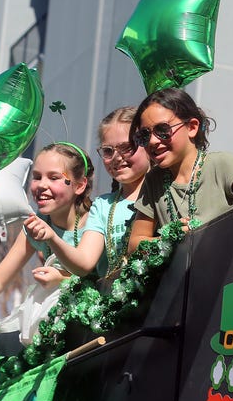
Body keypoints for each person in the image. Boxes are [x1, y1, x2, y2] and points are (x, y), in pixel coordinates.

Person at [0, 141, 96, 346]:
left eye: (54, 177)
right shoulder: (34, 224)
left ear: (80, 185)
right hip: (51, 317)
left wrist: (62, 278)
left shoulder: (94, 219)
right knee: (1, 345)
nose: (41, 185)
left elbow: (98, 272)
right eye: (37, 177)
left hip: (90, 317)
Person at [127, 88, 233, 253]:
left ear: (192, 127)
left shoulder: (222, 165)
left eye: (163, 130)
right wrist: (168, 238)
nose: (153, 141)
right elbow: (134, 245)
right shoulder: (154, 180)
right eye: (144, 135)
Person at [24, 107, 149, 282]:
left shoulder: (163, 191)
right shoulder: (103, 205)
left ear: (146, 142)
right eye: (108, 151)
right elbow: (84, 263)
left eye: (126, 147)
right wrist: (52, 237)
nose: (117, 157)